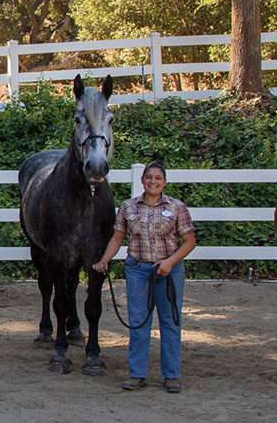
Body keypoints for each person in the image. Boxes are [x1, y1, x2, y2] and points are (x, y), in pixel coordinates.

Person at [93, 160, 196, 393]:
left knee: (170, 320)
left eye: (158, 178)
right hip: (138, 270)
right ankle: (137, 373)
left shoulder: (177, 207)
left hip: (168, 271)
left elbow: (189, 241)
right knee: (138, 321)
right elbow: (118, 237)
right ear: (142, 181)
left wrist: (170, 262)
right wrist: (105, 259)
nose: (153, 182)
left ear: (165, 182)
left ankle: (171, 375)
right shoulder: (128, 207)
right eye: (149, 177)